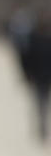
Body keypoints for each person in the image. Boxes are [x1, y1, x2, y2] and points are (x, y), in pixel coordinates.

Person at [23, 11, 51, 142]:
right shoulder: (33, 39)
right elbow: (27, 58)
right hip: (39, 76)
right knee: (41, 102)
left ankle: (43, 124)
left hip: (41, 75)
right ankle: (42, 125)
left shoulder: (33, 39)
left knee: (41, 102)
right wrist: (27, 73)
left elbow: (26, 58)